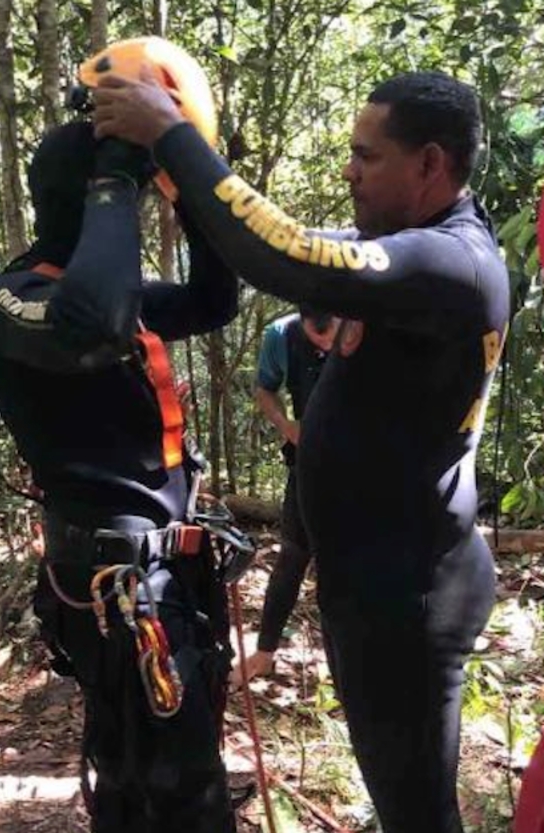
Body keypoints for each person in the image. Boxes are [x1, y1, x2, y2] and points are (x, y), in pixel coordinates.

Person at [93, 68, 510, 833]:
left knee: (418, 810)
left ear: (430, 164)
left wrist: (172, 135)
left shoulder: (453, 264)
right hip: (377, 581)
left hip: (410, 596)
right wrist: (183, 185)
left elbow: (287, 259)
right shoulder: (403, 254)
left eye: (367, 155)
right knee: (400, 793)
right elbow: (280, 247)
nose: (348, 169)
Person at [0, 121, 240, 832]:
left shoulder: (113, 297)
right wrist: (117, 180)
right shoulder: (15, 299)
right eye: (122, 199)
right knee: (176, 783)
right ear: (89, 200)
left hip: (164, 575)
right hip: (114, 586)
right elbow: (92, 324)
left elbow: (215, 301)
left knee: (152, 767)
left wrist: (195, 194)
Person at [230, 305, 339, 686]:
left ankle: (347, 663)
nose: (325, 343)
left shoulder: (366, 325)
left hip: (363, 471)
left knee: (346, 567)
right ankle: (264, 652)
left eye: (332, 335)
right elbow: (264, 389)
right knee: (293, 556)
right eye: (316, 336)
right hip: (307, 465)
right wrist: (285, 425)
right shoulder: (281, 335)